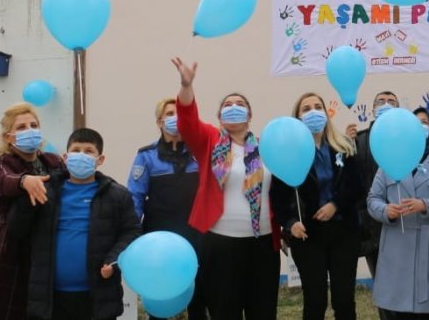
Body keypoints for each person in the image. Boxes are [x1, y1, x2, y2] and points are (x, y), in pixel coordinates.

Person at [171, 57, 280, 319]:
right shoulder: (210, 140)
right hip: (221, 244)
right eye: (227, 105)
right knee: (224, 310)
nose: (234, 108)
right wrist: (186, 85)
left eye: (240, 105)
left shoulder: (268, 147)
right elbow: (187, 122)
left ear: (250, 115)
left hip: (263, 244)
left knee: (263, 312)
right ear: (219, 116)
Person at [9, 128, 140, 320]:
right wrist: (27, 196)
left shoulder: (117, 195)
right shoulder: (45, 190)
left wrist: (113, 260)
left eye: (88, 151)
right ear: (65, 156)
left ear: (100, 159)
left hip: (97, 295)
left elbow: (132, 232)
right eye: (76, 150)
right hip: (50, 296)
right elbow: (16, 229)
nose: (81, 155)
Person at [270, 92, 362, 320]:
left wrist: (335, 205)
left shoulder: (344, 146)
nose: (313, 112)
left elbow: (356, 186)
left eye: (317, 106)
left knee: (343, 299)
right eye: (306, 108)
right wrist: (290, 223)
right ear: (298, 117)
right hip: (307, 235)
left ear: (326, 113)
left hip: (344, 233)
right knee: (315, 299)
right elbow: (278, 197)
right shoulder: (288, 154)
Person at [367, 108, 429, 318]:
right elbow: (372, 199)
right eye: (415, 122)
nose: (419, 127)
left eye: (424, 122)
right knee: (397, 310)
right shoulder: (388, 163)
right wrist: (386, 210)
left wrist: (425, 205)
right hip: (396, 247)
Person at [127, 98, 207, 320]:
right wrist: (133, 235)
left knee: (199, 297)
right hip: (158, 239)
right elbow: (135, 197)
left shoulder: (200, 152)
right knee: (159, 295)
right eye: (170, 113)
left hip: (197, 235)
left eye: (180, 113)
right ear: (159, 122)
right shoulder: (146, 156)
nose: (176, 118)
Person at [0, 102, 64, 320]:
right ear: (8, 137)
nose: (29, 130)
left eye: (34, 125)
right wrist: (24, 181)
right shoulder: (1, 164)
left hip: (49, 244)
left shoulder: (53, 161)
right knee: (13, 309)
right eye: (21, 127)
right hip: (15, 250)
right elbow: (4, 181)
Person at [352, 89, 401, 309]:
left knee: (405, 287)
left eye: (391, 101)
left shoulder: (409, 138)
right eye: (380, 101)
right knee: (383, 288)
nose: (385, 104)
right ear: (372, 109)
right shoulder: (359, 141)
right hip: (371, 229)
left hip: (405, 225)